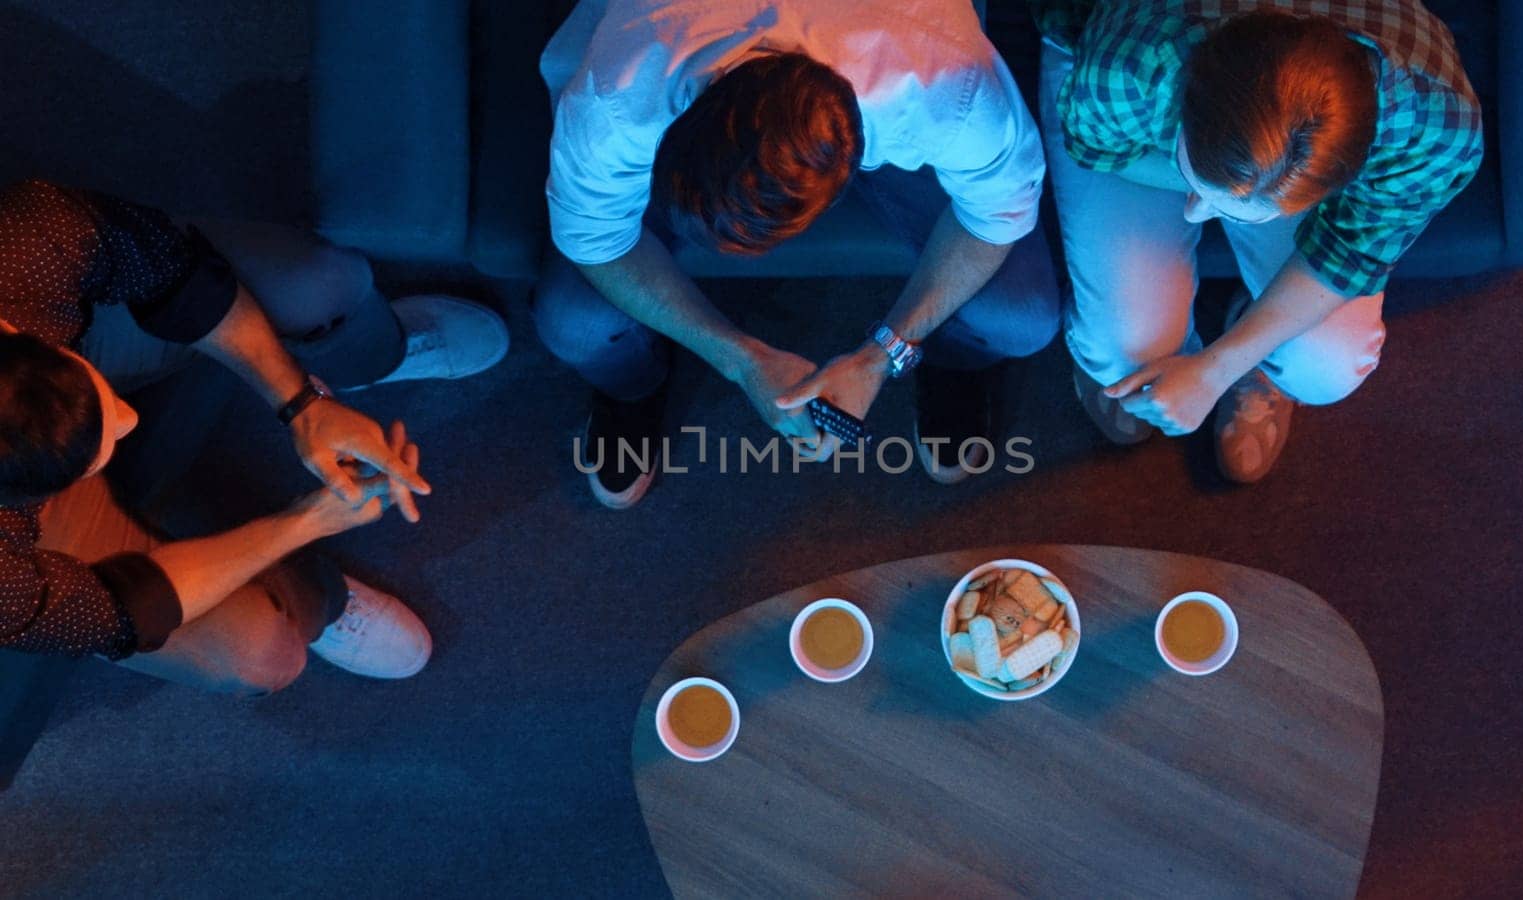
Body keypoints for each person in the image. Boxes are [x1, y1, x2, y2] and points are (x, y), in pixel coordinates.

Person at [536, 0, 1060, 508]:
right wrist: (741, 359)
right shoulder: (620, 93)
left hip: (894, 78)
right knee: (572, 321)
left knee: (1021, 316)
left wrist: (884, 354)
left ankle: (949, 356)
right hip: (668, 71)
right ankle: (634, 385)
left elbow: (997, 213)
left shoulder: (944, 82)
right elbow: (595, 239)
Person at [0, 179, 509, 694]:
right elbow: (121, 612)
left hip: (71, 325)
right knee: (264, 656)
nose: (129, 419)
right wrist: (307, 521)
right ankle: (313, 596)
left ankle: (369, 355)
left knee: (316, 284)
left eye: (107, 407)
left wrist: (301, 404)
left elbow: (175, 274)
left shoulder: (23, 245)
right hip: (27, 537)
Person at [1032, 0, 1483, 481]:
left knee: (1328, 367)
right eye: (1199, 190)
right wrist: (1217, 192)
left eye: (1228, 209)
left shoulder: (1433, 125)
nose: (1193, 213)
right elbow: (1099, 149)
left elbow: (1352, 249)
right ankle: (1119, 339)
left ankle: (1254, 342)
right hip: (1129, 71)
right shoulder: (1127, 71)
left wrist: (1218, 368)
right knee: (1121, 351)